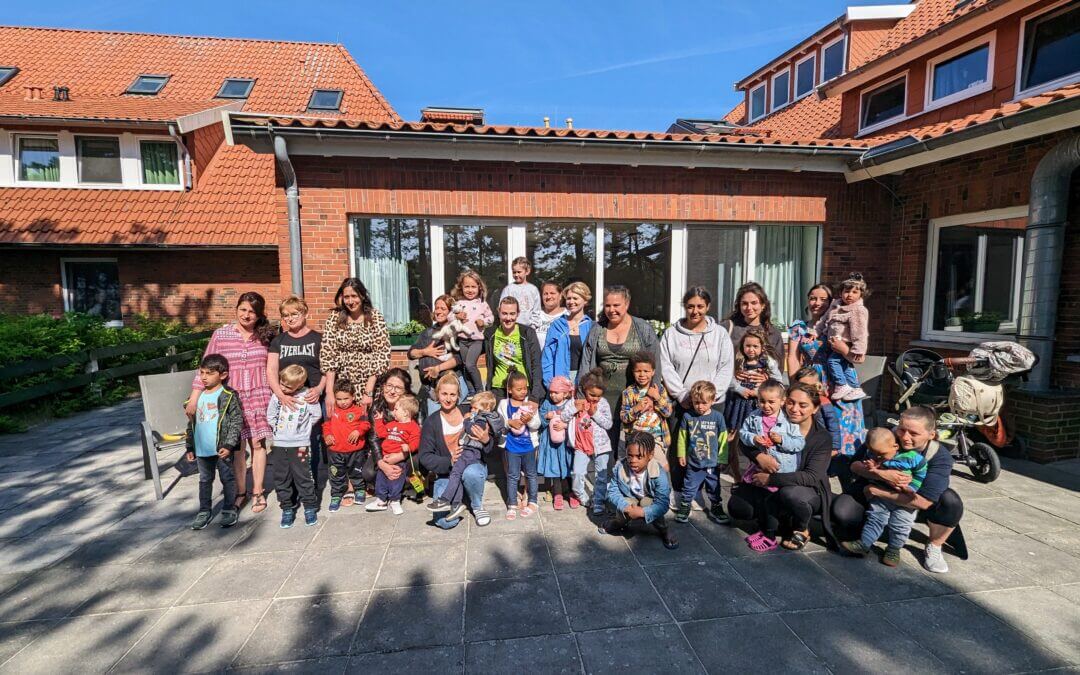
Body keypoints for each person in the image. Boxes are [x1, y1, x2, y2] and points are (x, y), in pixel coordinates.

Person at [831, 406, 965, 574]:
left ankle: (934, 545)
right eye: (902, 430)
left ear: (931, 435)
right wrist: (882, 475)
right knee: (843, 512)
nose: (905, 437)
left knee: (950, 502)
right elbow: (855, 465)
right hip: (876, 493)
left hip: (911, 499)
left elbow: (925, 502)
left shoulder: (940, 456)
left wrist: (878, 491)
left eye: (914, 434)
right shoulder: (884, 436)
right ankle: (870, 536)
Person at [187, 292, 275, 514]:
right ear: (236, 309)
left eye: (252, 312)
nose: (247, 315)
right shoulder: (222, 335)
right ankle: (241, 492)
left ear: (259, 315)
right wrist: (195, 397)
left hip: (259, 396)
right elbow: (206, 366)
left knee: (258, 444)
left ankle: (258, 491)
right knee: (237, 448)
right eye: (243, 309)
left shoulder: (265, 336)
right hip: (231, 400)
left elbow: (274, 367)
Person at [727, 382, 836, 553]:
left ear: (815, 409)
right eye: (791, 402)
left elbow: (811, 477)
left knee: (788, 494)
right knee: (739, 507)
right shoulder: (775, 418)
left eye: (803, 405)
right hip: (772, 477)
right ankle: (774, 522)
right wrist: (759, 456)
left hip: (804, 489)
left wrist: (771, 479)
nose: (794, 409)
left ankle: (801, 528)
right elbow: (744, 440)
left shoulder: (822, 437)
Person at [787, 283, 866, 460]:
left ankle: (847, 468)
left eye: (823, 299)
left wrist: (843, 348)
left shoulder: (842, 324)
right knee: (815, 425)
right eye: (813, 298)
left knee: (844, 428)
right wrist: (796, 386)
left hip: (841, 382)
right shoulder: (799, 327)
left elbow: (859, 358)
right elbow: (792, 357)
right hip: (811, 381)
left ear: (831, 302)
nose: (817, 303)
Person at [578, 285, 661, 449]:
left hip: (635, 399)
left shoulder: (643, 329)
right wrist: (582, 395)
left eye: (616, 305)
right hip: (603, 399)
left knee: (636, 448)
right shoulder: (597, 330)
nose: (611, 310)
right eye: (607, 305)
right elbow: (585, 364)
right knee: (604, 450)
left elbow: (655, 363)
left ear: (627, 304)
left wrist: (652, 395)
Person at [267, 296, 327, 506]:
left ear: (305, 313)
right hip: (285, 402)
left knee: (312, 445)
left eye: (294, 314)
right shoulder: (279, 341)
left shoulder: (318, 339)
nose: (290, 319)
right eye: (285, 315)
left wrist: (319, 389)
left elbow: (328, 369)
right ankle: (290, 493)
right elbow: (271, 370)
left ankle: (312, 491)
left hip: (309, 400)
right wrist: (280, 395)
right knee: (286, 451)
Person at [840, 428, 928, 566]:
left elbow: (920, 473)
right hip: (881, 494)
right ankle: (864, 544)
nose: (877, 457)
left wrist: (912, 488)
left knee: (901, 524)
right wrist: (872, 468)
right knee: (875, 518)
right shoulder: (875, 454)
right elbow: (861, 466)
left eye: (880, 454)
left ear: (895, 446)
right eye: (873, 453)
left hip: (904, 499)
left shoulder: (912, 458)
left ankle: (894, 549)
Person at [418, 373, 495, 528]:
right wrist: (449, 460)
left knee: (471, 473)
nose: (448, 398)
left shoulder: (470, 411)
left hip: (471, 465)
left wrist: (487, 439)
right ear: (437, 394)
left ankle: (476, 504)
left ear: (458, 396)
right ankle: (458, 497)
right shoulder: (431, 422)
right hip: (447, 473)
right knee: (445, 522)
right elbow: (425, 456)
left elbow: (491, 443)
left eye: (452, 394)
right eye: (444, 394)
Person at [425, 391, 503, 520]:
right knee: (456, 473)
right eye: (471, 407)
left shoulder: (481, 419)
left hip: (470, 453)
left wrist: (467, 420)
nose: (472, 410)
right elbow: (425, 456)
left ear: (486, 409)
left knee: (457, 472)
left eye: (475, 408)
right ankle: (456, 504)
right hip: (461, 457)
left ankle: (458, 502)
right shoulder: (433, 420)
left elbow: (472, 430)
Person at [185, 354, 241, 530]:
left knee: (227, 478)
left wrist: (229, 445)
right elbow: (191, 422)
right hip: (202, 450)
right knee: (204, 480)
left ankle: (229, 508)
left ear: (222, 375)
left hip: (221, 449)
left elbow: (236, 421)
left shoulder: (228, 395)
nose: (203, 377)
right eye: (202, 373)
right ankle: (204, 511)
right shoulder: (196, 397)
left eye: (209, 373)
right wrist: (190, 446)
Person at [660, 286, 735, 415]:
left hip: (713, 404)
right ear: (684, 306)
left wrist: (710, 396)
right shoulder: (671, 334)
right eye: (690, 306)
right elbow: (666, 367)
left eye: (700, 306)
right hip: (682, 404)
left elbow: (726, 367)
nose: (695, 311)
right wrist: (681, 395)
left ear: (708, 306)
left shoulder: (720, 334)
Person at [321, 277, 391, 406]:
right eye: (346, 297)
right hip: (343, 387)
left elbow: (381, 355)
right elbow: (329, 355)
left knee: (367, 424)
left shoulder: (375, 317)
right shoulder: (335, 318)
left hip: (370, 384)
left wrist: (368, 392)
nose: (350, 301)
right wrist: (329, 392)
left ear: (363, 296)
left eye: (354, 296)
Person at [602, 432, 678, 550]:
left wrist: (643, 512)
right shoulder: (620, 467)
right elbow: (612, 491)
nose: (633, 460)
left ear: (650, 455)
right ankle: (619, 522)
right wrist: (626, 507)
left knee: (648, 504)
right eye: (629, 455)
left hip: (648, 499)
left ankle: (664, 529)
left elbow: (663, 503)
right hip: (630, 498)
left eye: (639, 456)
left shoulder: (658, 472)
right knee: (622, 503)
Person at [267, 364, 322, 528]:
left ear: (299, 385)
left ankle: (310, 507)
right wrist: (278, 429)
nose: (283, 388)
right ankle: (286, 508)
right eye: (281, 383)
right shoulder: (277, 396)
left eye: (288, 386)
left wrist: (302, 429)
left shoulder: (307, 396)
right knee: (281, 477)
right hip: (279, 444)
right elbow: (270, 415)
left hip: (300, 445)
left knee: (303, 475)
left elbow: (316, 414)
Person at [675, 381, 729, 525]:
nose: (700, 406)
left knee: (714, 487)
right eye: (696, 402)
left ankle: (716, 507)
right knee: (689, 486)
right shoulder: (688, 416)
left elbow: (723, 438)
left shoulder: (718, 417)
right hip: (694, 462)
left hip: (712, 462)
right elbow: (682, 436)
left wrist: (722, 459)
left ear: (712, 400)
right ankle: (685, 506)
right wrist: (681, 454)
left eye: (704, 403)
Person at [737, 379, 805, 492]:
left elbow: (799, 443)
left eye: (771, 402)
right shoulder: (754, 417)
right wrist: (753, 438)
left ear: (782, 401)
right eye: (762, 401)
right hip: (759, 466)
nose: (766, 406)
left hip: (782, 470)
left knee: (776, 497)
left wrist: (782, 440)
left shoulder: (789, 421)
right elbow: (743, 434)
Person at [409, 294, 467, 416]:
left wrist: (438, 368)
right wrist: (425, 352)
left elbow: (459, 358)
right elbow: (411, 353)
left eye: (443, 308)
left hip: (451, 388)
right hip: (431, 389)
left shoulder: (457, 331)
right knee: (433, 426)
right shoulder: (428, 332)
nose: (438, 312)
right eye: (437, 308)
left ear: (451, 312)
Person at [816, 273, 870, 401]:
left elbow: (860, 332)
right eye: (846, 291)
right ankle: (855, 388)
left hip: (846, 343)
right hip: (834, 343)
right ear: (841, 293)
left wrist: (858, 349)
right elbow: (824, 320)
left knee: (833, 361)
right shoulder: (835, 305)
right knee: (843, 366)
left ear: (861, 295)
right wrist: (817, 331)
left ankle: (841, 385)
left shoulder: (858, 310)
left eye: (854, 292)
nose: (850, 295)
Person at [723, 327, 783, 438]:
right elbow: (727, 378)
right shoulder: (738, 361)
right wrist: (739, 388)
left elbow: (778, 381)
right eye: (748, 346)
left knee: (756, 428)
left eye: (755, 346)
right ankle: (734, 453)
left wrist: (760, 392)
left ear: (762, 348)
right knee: (735, 430)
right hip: (738, 401)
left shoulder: (768, 362)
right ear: (743, 346)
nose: (751, 350)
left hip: (757, 402)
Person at [365, 367, 414, 504]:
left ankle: (411, 487)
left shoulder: (413, 406)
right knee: (368, 473)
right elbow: (374, 439)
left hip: (407, 451)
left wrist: (400, 456)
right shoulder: (376, 408)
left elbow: (419, 437)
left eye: (398, 388)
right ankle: (392, 486)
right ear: (383, 386)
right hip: (385, 452)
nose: (392, 391)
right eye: (389, 386)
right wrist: (382, 463)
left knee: (416, 463)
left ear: (406, 391)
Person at [366, 394, 421, 515]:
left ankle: (395, 499)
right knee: (381, 479)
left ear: (406, 413)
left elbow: (416, 441)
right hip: (385, 457)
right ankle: (381, 500)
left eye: (396, 409)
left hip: (400, 460)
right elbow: (381, 433)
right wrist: (379, 420)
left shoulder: (413, 427)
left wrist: (409, 447)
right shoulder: (392, 424)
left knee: (396, 479)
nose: (393, 412)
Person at [322, 378, 371, 511]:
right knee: (336, 474)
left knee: (356, 471)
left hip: (355, 450)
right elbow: (326, 426)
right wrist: (327, 436)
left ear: (353, 397)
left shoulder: (360, 410)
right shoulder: (331, 410)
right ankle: (336, 494)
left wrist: (358, 431)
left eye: (346, 398)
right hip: (335, 450)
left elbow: (366, 424)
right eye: (339, 399)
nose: (343, 402)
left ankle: (359, 489)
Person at [570, 368, 614, 516]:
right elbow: (565, 416)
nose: (595, 398)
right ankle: (583, 497)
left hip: (601, 446)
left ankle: (599, 501)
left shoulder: (604, 404)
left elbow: (608, 424)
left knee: (601, 475)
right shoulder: (578, 402)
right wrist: (572, 410)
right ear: (584, 389)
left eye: (598, 396)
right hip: (582, 445)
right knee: (577, 472)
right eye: (592, 394)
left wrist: (594, 414)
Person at [483, 296, 544, 402]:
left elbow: (536, 365)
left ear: (518, 313)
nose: (508, 318)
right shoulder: (490, 333)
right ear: (499, 313)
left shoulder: (527, 333)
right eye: (504, 313)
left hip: (522, 389)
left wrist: (535, 397)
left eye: (512, 314)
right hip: (498, 390)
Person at [498, 371, 541, 519]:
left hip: (529, 446)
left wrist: (529, 419)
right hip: (511, 447)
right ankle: (511, 504)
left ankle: (533, 501)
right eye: (519, 389)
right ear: (509, 390)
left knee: (531, 474)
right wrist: (509, 422)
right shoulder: (504, 404)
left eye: (525, 388)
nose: (523, 392)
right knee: (512, 476)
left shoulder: (529, 404)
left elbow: (537, 425)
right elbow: (497, 423)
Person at [620, 351, 674, 469]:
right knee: (638, 469)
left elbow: (668, 412)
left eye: (646, 371)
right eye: (638, 371)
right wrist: (636, 408)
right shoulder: (628, 392)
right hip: (636, 439)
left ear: (653, 372)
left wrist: (657, 398)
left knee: (663, 467)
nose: (642, 375)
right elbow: (624, 417)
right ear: (633, 372)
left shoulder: (659, 390)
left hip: (656, 439)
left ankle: (662, 487)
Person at [449, 270, 495, 397]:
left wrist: (483, 322)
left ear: (479, 287)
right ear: (461, 288)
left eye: (473, 286)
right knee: (465, 365)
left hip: (476, 340)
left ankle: (480, 389)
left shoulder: (482, 304)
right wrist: (457, 316)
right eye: (467, 286)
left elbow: (491, 318)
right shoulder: (459, 303)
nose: (470, 290)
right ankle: (471, 390)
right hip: (463, 340)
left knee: (470, 364)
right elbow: (449, 318)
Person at [542, 281, 593, 387]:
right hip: (560, 380)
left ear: (585, 300)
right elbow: (547, 357)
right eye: (568, 298)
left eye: (575, 298)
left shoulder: (591, 326)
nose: (571, 302)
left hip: (585, 381)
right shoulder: (557, 325)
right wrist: (550, 383)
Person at [723, 282, 785, 367]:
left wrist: (766, 377)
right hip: (732, 379)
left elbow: (779, 365)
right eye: (744, 303)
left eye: (754, 303)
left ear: (763, 305)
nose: (749, 308)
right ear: (739, 306)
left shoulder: (773, 333)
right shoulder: (728, 328)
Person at [538, 375, 576, 509]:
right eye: (551, 392)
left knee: (568, 466)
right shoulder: (547, 404)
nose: (553, 395)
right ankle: (557, 494)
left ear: (566, 393)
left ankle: (572, 493)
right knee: (555, 468)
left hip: (566, 445)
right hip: (551, 445)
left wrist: (565, 426)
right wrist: (546, 417)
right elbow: (540, 419)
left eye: (556, 392)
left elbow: (576, 421)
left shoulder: (571, 404)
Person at [500, 256, 542, 330]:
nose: (516, 275)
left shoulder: (533, 289)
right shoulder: (508, 289)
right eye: (514, 272)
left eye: (519, 272)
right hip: (512, 328)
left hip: (529, 328)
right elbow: (501, 308)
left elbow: (537, 310)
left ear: (527, 271)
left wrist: (533, 326)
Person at [536, 281, 567, 347]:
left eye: (552, 293)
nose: (549, 296)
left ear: (560, 295)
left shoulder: (567, 315)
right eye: (545, 294)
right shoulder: (536, 314)